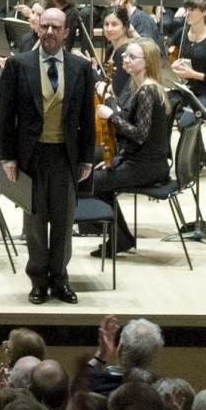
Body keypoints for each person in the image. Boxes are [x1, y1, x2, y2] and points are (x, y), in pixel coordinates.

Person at [0, 5, 96, 305]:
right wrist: (8, 157)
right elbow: (6, 115)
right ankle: (38, 280)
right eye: (45, 26)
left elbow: (87, 118)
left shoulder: (80, 68)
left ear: (66, 33)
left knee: (64, 222)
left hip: (65, 155)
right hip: (32, 154)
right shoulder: (19, 65)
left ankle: (60, 279)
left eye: (56, 27)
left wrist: (87, 158)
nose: (50, 31)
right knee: (36, 221)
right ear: (37, 28)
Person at [87, 39, 170, 255]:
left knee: (92, 181)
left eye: (132, 57)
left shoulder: (147, 92)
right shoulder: (138, 86)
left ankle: (119, 237)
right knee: (95, 176)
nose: (126, 59)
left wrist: (111, 115)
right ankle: (120, 237)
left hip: (147, 166)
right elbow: (128, 120)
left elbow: (139, 134)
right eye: (126, 55)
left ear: (147, 62)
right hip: (138, 161)